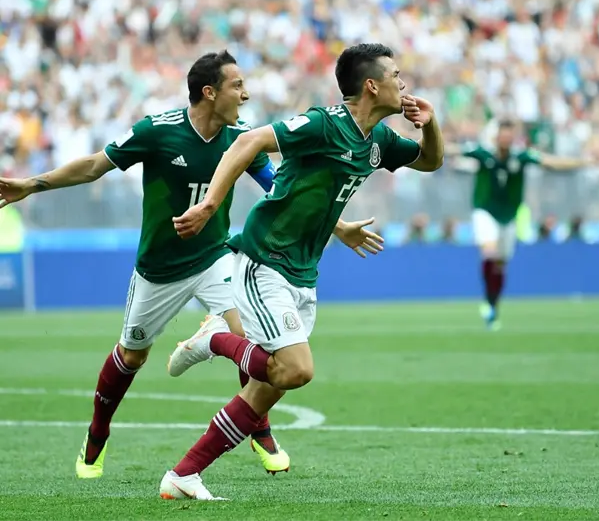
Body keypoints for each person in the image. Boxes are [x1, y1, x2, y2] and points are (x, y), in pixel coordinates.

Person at [0, 50, 381, 479]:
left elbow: (284, 192)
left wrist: (340, 225)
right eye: (237, 86)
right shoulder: (158, 132)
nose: (246, 94)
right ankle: (97, 432)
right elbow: (93, 167)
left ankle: (260, 428)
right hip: (158, 270)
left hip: (215, 255)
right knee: (132, 355)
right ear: (209, 92)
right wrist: (30, 186)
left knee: (250, 336)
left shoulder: (240, 139)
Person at [157, 43, 444, 500]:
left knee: (266, 389)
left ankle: (183, 474)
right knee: (295, 369)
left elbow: (430, 161)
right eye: (395, 75)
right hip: (263, 258)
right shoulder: (323, 124)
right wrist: (210, 203)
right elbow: (250, 142)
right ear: (372, 85)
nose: (403, 83)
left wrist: (430, 127)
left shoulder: (380, 140)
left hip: (303, 271)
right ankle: (215, 338)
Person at [458, 120, 589, 330]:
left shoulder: (521, 156)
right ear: (496, 137)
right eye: (503, 135)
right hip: (485, 211)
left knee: (501, 266)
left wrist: (582, 162)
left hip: (509, 216)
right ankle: (489, 301)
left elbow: (550, 162)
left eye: (510, 136)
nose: (506, 139)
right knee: (489, 253)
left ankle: (492, 304)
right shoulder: (483, 154)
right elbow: (454, 150)